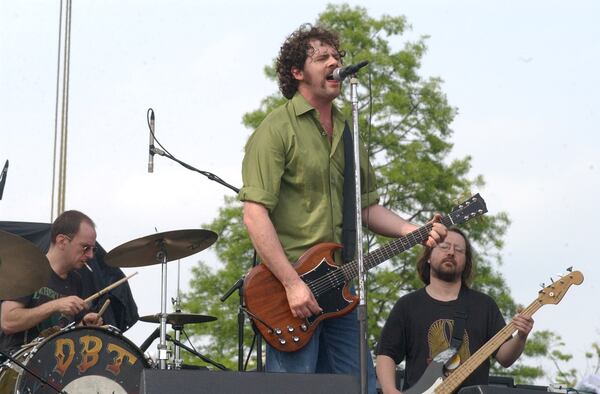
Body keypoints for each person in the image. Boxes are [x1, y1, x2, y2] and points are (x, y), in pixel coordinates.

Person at [239, 24, 447, 393]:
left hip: (339, 287)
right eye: (323, 57)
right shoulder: (275, 129)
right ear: (298, 72)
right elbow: (255, 215)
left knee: (360, 387)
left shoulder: (347, 129)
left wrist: (412, 231)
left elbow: (366, 208)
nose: (335, 62)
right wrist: (292, 284)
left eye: (338, 56)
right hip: (289, 293)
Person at [375, 228, 534, 393]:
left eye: (459, 250)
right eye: (444, 247)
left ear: (466, 262)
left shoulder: (484, 305)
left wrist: (521, 336)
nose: (451, 252)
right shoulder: (407, 305)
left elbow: (505, 358)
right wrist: (389, 390)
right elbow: (386, 354)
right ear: (428, 256)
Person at [0, 210, 103, 353]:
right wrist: (55, 305)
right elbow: (8, 322)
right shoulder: (29, 269)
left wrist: (84, 324)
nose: (90, 255)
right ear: (62, 241)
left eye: (93, 249)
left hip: (55, 366)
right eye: (85, 247)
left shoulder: (76, 280)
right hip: (18, 365)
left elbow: (66, 333)